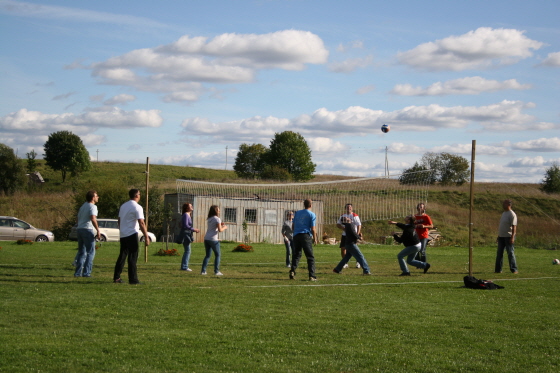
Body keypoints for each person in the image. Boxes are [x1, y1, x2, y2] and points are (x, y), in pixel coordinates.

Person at [113, 188, 150, 284]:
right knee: (133, 257)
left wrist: (122, 230)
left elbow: (119, 220)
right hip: (132, 234)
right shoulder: (137, 207)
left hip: (123, 234)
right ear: (137, 195)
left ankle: (116, 277)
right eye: (140, 194)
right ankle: (133, 279)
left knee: (122, 256)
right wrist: (146, 236)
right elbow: (141, 222)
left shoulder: (123, 206)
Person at [74, 190, 100, 277]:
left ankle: (77, 273)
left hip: (80, 229)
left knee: (82, 252)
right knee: (91, 252)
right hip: (87, 229)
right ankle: (86, 273)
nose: (98, 197)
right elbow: (93, 218)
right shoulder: (92, 206)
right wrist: (98, 230)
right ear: (93, 198)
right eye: (96, 196)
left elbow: (77, 218)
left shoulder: (83, 206)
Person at [290, 199, 318, 281]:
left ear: (304, 205)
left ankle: (292, 270)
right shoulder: (312, 214)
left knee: (296, 255)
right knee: (310, 256)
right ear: (311, 205)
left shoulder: (298, 213)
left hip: (296, 235)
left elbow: (293, 226)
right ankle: (312, 276)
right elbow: (313, 228)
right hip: (305, 236)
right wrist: (315, 238)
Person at [202, 205, 227, 276]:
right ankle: (216, 271)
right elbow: (220, 230)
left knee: (207, 256)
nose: (219, 211)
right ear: (216, 211)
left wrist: (220, 224)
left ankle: (203, 271)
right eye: (218, 210)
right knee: (218, 255)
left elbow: (213, 227)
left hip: (207, 238)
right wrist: (224, 227)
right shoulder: (217, 219)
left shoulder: (209, 218)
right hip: (213, 239)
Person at [495, 199, 518, 274]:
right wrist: (499, 236)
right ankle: (498, 270)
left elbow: (514, 227)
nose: (503, 205)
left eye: (504, 203)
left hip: (508, 236)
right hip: (501, 236)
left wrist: (512, 237)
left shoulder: (512, 214)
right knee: (499, 253)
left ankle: (514, 269)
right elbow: (502, 226)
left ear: (509, 204)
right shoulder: (504, 213)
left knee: (510, 253)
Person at [336, 203, 362, 269]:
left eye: (350, 207)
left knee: (354, 249)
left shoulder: (355, 215)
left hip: (353, 235)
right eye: (347, 207)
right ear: (345, 208)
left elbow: (359, 225)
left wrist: (357, 234)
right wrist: (343, 228)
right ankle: (345, 263)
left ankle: (358, 262)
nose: (349, 208)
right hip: (345, 235)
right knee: (343, 248)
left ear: (352, 208)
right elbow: (338, 224)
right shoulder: (343, 216)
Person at [180, 203, 200, 272]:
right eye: (190, 206)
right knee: (187, 251)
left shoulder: (188, 215)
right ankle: (184, 267)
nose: (192, 207)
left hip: (188, 233)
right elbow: (185, 225)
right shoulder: (186, 215)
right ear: (187, 208)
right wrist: (194, 229)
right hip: (185, 234)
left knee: (187, 251)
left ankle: (184, 266)